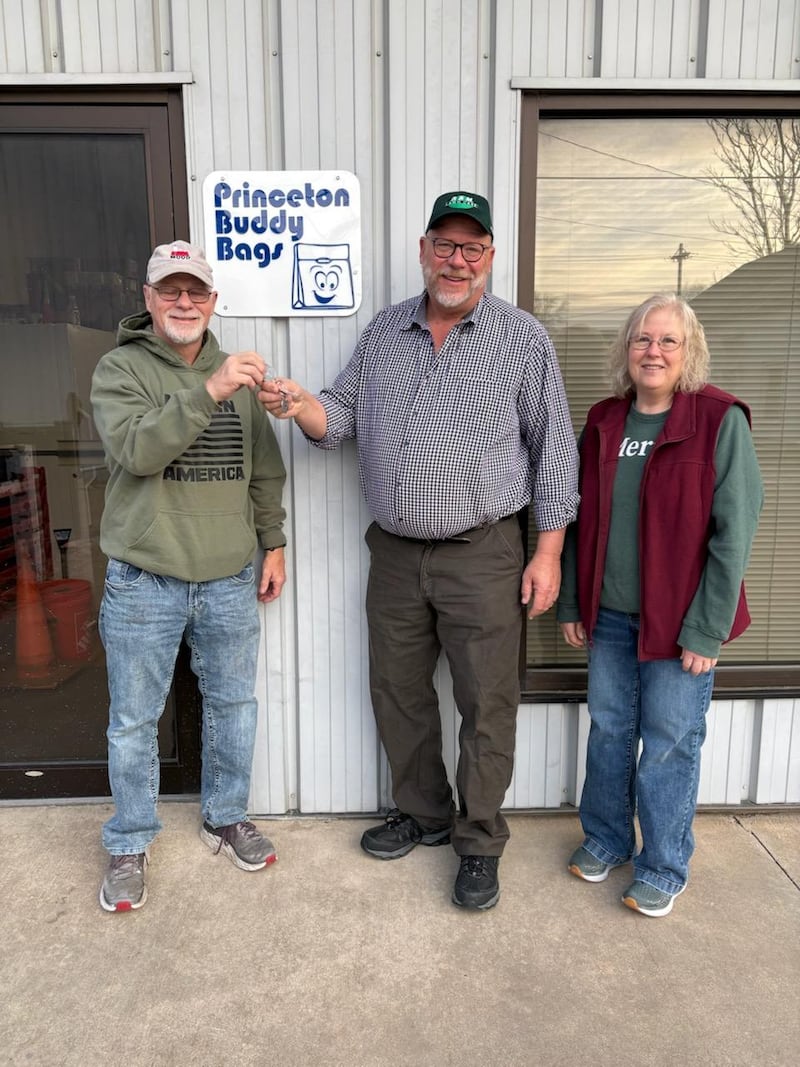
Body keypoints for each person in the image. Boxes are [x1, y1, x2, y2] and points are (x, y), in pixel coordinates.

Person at [261, 191, 579, 910]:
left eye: (472, 248)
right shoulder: (384, 333)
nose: (457, 260)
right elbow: (339, 413)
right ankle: (424, 811)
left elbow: (554, 450)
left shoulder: (522, 339)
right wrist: (296, 402)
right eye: (446, 244)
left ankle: (478, 840)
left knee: (486, 701)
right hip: (397, 554)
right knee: (399, 692)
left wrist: (549, 552)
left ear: (490, 257)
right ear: (423, 249)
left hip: (485, 551)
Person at [91, 240, 287, 912]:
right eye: (169, 290)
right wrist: (211, 389)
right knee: (133, 720)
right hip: (144, 577)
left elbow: (264, 466)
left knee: (234, 706)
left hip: (229, 573)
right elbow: (139, 449)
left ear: (212, 301)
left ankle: (224, 815)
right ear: (148, 299)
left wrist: (274, 541)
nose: (183, 302)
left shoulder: (235, 373)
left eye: (195, 291)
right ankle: (129, 838)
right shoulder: (120, 370)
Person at [557, 293, 763, 917]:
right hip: (611, 618)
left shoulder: (718, 419)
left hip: (681, 626)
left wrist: (708, 628)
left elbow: (736, 531)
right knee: (610, 733)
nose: (654, 351)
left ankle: (663, 865)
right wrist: (573, 602)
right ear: (627, 349)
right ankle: (608, 839)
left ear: (689, 351)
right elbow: (579, 519)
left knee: (670, 741)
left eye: (668, 341)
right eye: (644, 339)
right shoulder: (603, 422)